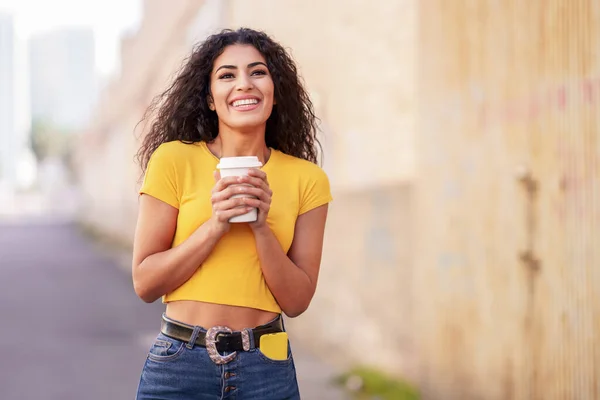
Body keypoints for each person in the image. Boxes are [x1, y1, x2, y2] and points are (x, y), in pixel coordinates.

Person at [132, 27, 332, 399]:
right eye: (227, 75)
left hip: (265, 368)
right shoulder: (174, 160)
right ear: (210, 98)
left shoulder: (308, 179)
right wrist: (216, 225)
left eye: (258, 72)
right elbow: (145, 283)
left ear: (275, 92)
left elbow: (297, 301)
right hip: (180, 365)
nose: (244, 84)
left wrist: (260, 227)